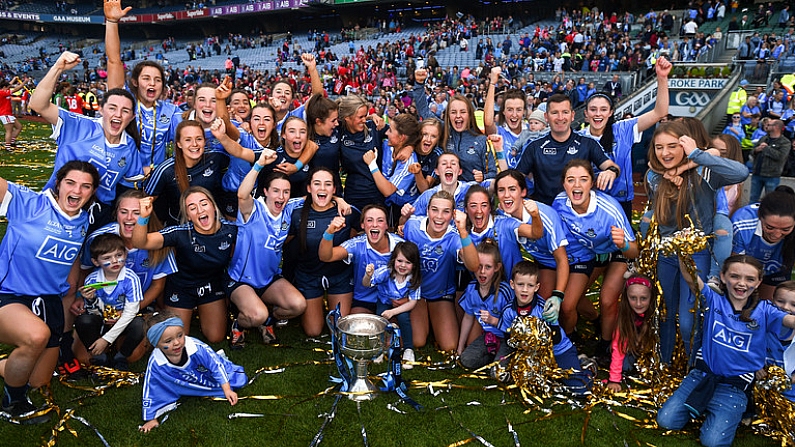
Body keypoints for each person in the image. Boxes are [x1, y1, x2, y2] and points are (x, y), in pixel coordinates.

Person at [657, 255, 795, 447]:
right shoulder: (714, 299)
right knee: (666, 421)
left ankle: (725, 411)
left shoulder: (765, 310)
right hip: (702, 375)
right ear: (722, 276)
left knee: (713, 442)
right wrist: (683, 251)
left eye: (750, 279)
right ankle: (705, 404)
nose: (741, 283)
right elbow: (691, 279)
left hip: (734, 386)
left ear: (759, 282)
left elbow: (789, 321)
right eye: (735, 276)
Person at [0, 161, 98, 424]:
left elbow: (73, 258)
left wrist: (74, 291)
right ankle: (13, 403)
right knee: (36, 336)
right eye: (70, 182)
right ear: (58, 184)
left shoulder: (82, 220)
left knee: (38, 379)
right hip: (9, 294)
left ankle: (13, 374)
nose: (77, 190)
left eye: (85, 186)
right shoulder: (29, 203)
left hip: (49, 302)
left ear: (92, 193)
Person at [646, 121, 749, 364]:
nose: (665, 153)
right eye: (659, 147)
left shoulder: (704, 171)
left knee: (689, 317)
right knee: (665, 312)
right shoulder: (653, 176)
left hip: (697, 253)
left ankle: (696, 366)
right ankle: (666, 363)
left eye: (673, 146)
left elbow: (741, 173)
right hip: (666, 253)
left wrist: (696, 155)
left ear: (685, 144)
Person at [30, 51, 141, 230]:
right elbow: (37, 105)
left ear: (131, 117)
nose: (118, 115)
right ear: (101, 110)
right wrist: (58, 67)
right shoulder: (77, 125)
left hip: (97, 217)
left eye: (125, 111)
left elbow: (126, 189)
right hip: (56, 208)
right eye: (112, 108)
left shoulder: (130, 149)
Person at [553, 160, 638, 360]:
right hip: (591, 254)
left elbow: (635, 251)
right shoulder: (559, 204)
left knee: (607, 299)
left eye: (583, 180)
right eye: (570, 180)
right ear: (563, 184)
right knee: (571, 301)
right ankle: (590, 325)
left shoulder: (609, 209)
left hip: (617, 252)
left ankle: (605, 346)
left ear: (592, 183)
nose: (576, 185)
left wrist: (623, 244)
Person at [132, 187, 236, 344]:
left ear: (213, 207)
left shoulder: (230, 230)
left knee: (216, 337)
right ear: (188, 216)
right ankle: (160, 313)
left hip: (211, 285)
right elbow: (141, 242)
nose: (200, 210)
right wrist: (143, 217)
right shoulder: (180, 233)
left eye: (204, 204)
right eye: (192, 208)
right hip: (182, 287)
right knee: (177, 338)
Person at [227, 161, 310, 348]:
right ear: (265, 192)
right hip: (242, 279)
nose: (281, 196)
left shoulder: (288, 209)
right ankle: (239, 324)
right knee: (257, 315)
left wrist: (340, 200)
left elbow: (316, 197)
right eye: (276, 191)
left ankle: (269, 320)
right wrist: (258, 165)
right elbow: (241, 194)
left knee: (298, 305)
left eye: (286, 192)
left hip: (269, 279)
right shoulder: (253, 209)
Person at [580, 55, 671, 217]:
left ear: (611, 112)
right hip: (589, 202)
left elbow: (660, 112)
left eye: (603, 109)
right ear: (586, 113)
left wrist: (662, 78)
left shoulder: (623, 129)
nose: (598, 114)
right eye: (593, 110)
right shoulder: (579, 138)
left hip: (620, 202)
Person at [105, 0, 182, 189]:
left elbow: (188, 135)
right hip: (121, 179)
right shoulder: (125, 102)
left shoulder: (171, 111)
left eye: (157, 80)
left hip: (155, 182)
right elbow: (114, 61)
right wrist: (112, 22)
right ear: (135, 82)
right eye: (146, 78)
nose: (152, 83)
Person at [140, 312, 247, 433]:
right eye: (168, 341)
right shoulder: (155, 361)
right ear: (156, 344)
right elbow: (151, 386)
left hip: (206, 376)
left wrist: (227, 389)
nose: (176, 343)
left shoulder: (197, 348)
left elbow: (215, 366)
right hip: (180, 382)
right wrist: (150, 418)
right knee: (162, 388)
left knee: (236, 382)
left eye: (180, 335)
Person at [496, 261, 592, 393]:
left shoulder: (544, 309)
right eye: (520, 284)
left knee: (580, 390)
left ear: (537, 287)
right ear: (512, 284)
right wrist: (521, 345)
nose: (524, 290)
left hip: (558, 351)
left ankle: (586, 366)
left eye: (530, 285)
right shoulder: (508, 311)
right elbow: (508, 337)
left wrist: (540, 335)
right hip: (532, 355)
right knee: (530, 385)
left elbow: (557, 338)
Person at [402, 190, 479, 352]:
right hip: (417, 293)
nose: (439, 216)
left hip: (440, 294)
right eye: (435, 210)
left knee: (449, 346)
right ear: (427, 210)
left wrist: (463, 231)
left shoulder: (454, 236)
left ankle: (434, 320)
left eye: (446, 211)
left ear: (452, 215)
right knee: (417, 341)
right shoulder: (413, 226)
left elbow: (473, 266)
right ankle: (420, 320)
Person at [515, 93, 620, 205]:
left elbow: (612, 166)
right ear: (546, 117)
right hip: (545, 212)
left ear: (572, 115)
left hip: (577, 212)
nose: (560, 118)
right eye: (555, 113)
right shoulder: (534, 146)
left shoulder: (587, 143)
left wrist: (611, 171)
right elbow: (517, 177)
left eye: (565, 112)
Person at [288, 168, 356, 338]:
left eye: (328, 184)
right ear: (309, 188)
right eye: (317, 184)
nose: (322, 188)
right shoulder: (296, 214)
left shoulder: (347, 211)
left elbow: (360, 236)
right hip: (309, 276)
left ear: (334, 189)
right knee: (313, 331)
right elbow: (284, 242)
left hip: (339, 275)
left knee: (340, 330)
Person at [494, 169, 569, 304]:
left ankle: (592, 318)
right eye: (501, 190)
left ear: (523, 192)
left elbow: (562, 259)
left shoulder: (545, 216)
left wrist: (558, 295)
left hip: (570, 259)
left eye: (512, 189)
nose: (506, 195)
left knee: (569, 305)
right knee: (539, 301)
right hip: (545, 262)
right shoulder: (502, 213)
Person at [74, 233, 145, 370]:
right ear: (96, 262)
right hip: (102, 320)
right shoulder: (92, 280)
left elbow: (131, 312)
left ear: (125, 254)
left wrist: (106, 340)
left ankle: (121, 357)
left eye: (118, 255)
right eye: (107, 258)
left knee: (139, 325)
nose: (114, 261)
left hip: (124, 320)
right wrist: (91, 299)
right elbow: (92, 312)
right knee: (83, 321)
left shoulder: (130, 279)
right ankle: (100, 358)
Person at [319, 204, 404, 315]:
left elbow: (415, 273)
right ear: (362, 225)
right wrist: (329, 232)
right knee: (353, 327)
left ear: (387, 225)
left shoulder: (400, 245)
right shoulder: (357, 244)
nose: (374, 225)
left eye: (380, 221)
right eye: (369, 220)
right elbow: (326, 256)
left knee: (392, 329)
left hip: (391, 300)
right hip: (364, 300)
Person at [145, 119, 229, 226]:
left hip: (213, 225)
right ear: (179, 144)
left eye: (199, 139)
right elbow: (146, 202)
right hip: (179, 229)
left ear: (205, 141)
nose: (194, 144)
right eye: (188, 140)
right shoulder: (166, 170)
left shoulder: (216, 158)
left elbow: (239, 162)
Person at [362, 241, 422, 369]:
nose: (403, 265)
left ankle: (408, 349)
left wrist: (394, 312)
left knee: (404, 318)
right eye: (400, 261)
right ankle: (380, 347)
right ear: (394, 259)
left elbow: (412, 303)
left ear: (414, 265)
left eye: (408, 262)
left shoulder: (413, 279)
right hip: (384, 301)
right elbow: (366, 284)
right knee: (381, 318)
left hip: (402, 305)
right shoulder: (386, 272)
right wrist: (368, 275)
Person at [731, 188, 795, 301]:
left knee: (771, 305)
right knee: (738, 302)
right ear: (760, 217)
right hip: (744, 265)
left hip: (776, 268)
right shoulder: (742, 223)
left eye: (785, 229)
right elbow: (735, 266)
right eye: (770, 227)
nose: (777, 235)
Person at [458, 241, 513, 369]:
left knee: (498, 373)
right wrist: (460, 348)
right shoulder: (472, 289)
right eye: (478, 266)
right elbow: (468, 317)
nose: (482, 272)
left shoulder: (504, 291)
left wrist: (494, 320)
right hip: (488, 337)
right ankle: (493, 356)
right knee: (466, 360)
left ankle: (503, 358)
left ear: (497, 267)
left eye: (488, 267)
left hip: (507, 338)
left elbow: (515, 323)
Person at [606, 275, 656, 392]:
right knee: (626, 368)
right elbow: (618, 346)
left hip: (649, 350)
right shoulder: (624, 316)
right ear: (626, 297)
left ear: (651, 297)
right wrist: (614, 379)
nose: (638, 303)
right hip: (630, 348)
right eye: (633, 298)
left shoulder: (657, 315)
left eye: (643, 298)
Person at [338, 94, 388, 211]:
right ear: (347, 117)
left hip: (377, 194)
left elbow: (401, 134)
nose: (364, 120)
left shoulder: (374, 127)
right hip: (354, 195)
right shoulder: (338, 132)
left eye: (366, 116)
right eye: (360, 117)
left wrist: (408, 149)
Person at [766, 281, 795, 402]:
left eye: (794, 304)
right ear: (772, 300)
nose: (786, 307)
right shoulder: (763, 329)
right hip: (763, 391)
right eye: (780, 301)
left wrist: (785, 381)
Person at [750, 119, 791, 203]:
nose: (766, 126)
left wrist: (766, 149)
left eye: (769, 125)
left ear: (776, 127)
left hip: (772, 176)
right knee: (753, 199)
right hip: (757, 173)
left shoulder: (785, 142)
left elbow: (780, 156)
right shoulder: (763, 138)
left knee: (770, 201)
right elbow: (752, 152)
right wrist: (756, 150)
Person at [0, 78, 24, 151]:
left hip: (9, 114)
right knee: (9, 130)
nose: (8, 88)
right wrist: (24, 83)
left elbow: (9, 85)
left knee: (19, 127)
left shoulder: (3, 91)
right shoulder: (1, 92)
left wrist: (14, 79)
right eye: (7, 87)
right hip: (5, 113)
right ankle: (8, 146)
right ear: (4, 87)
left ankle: (12, 141)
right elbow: (14, 90)